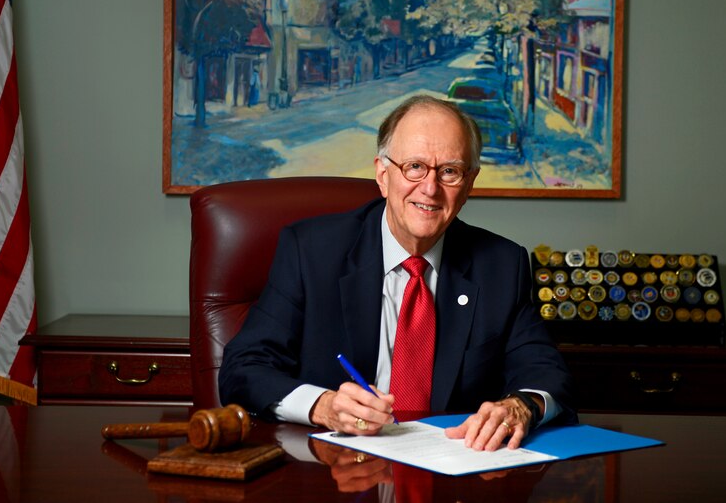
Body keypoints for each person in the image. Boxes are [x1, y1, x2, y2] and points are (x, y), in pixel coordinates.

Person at [219, 94, 576, 452]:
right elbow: (243, 368)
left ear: (469, 184)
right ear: (383, 174)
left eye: (449, 171)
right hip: (336, 468)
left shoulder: (501, 265)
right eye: (414, 167)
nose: (430, 188)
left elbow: (546, 374)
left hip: (452, 471)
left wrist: (520, 406)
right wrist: (323, 406)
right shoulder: (311, 252)